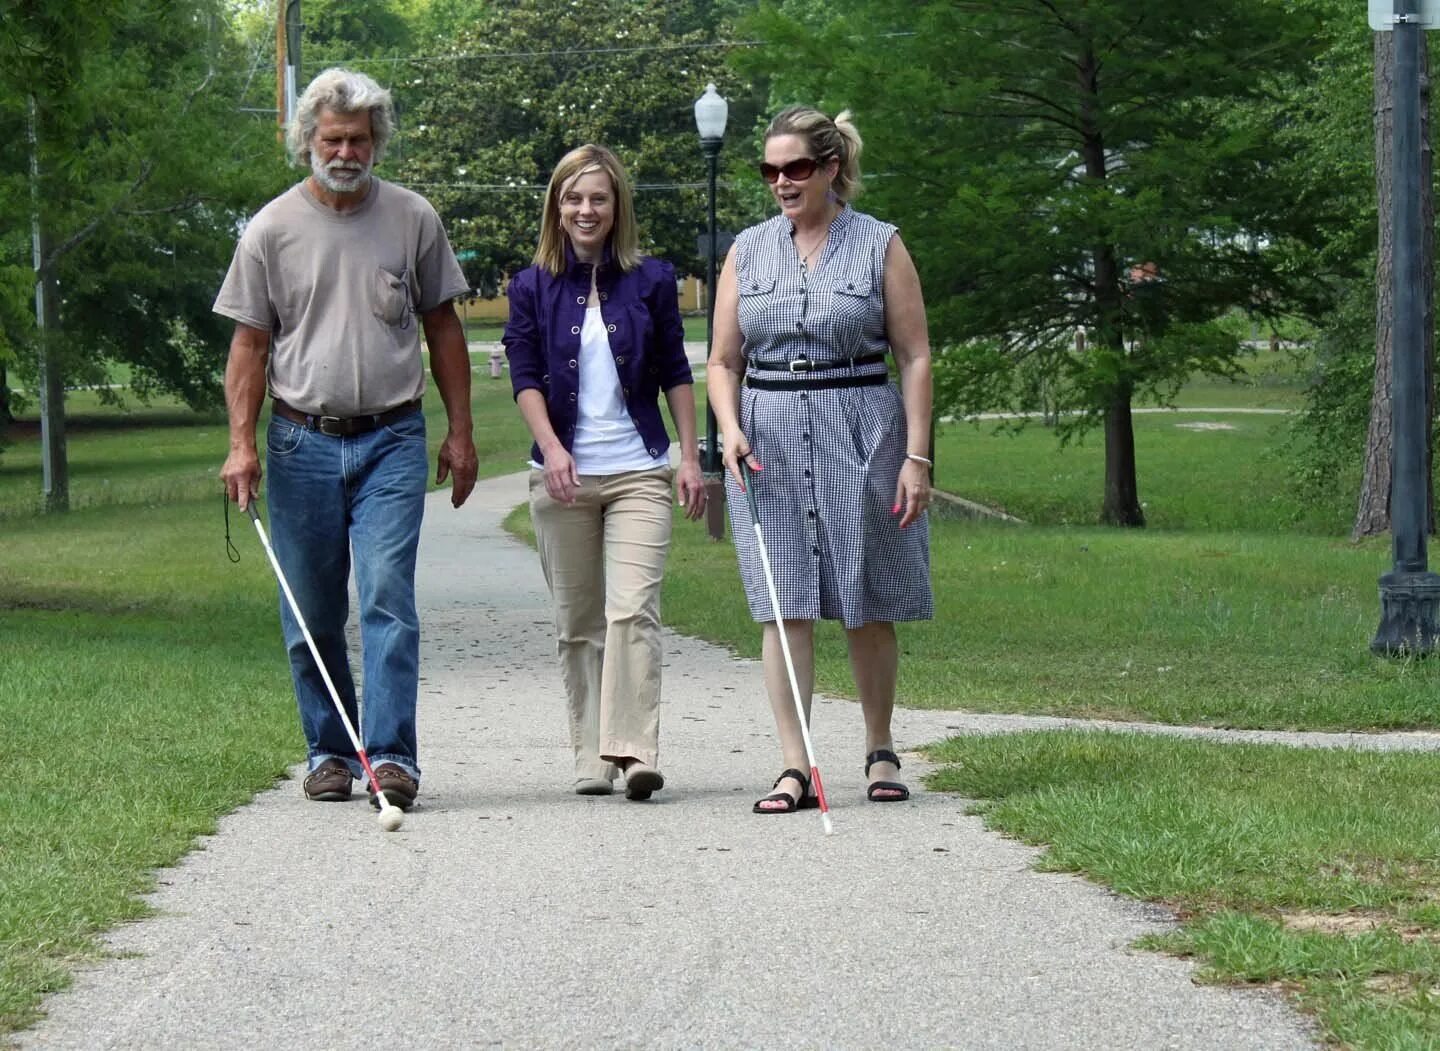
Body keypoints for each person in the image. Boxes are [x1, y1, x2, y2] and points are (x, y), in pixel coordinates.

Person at [215, 68, 477, 812]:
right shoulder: (270, 230)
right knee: (310, 607)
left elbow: (444, 329)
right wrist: (242, 443)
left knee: (388, 597)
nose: (346, 151)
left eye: (360, 138)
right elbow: (248, 347)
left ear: (376, 143)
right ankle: (331, 750)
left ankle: (391, 755)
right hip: (301, 440)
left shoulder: (413, 217)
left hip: (392, 436)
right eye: (332, 138)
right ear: (308, 141)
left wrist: (460, 433)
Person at [706, 105, 933, 813]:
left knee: (865, 598)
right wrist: (727, 428)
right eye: (769, 170)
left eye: (795, 168)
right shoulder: (747, 249)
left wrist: (917, 456)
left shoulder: (879, 244)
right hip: (766, 438)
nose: (781, 181)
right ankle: (795, 765)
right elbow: (720, 360)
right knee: (783, 603)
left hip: (860, 424)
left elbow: (916, 355)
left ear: (832, 168)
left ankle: (880, 746)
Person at [503, 144, 705, 800]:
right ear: (556, 207)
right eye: (573, 197)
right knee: (578, 621)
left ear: (617, 206)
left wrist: (689, 456)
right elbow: (526, 373)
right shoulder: (531, 285)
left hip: (638, 471)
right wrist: (552, 448)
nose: (585, 210)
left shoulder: (650, 279)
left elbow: (676, 370)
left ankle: (635, 750)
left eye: (598, 198)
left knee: (634, 610)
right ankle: (591, 754)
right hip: (563, 478)